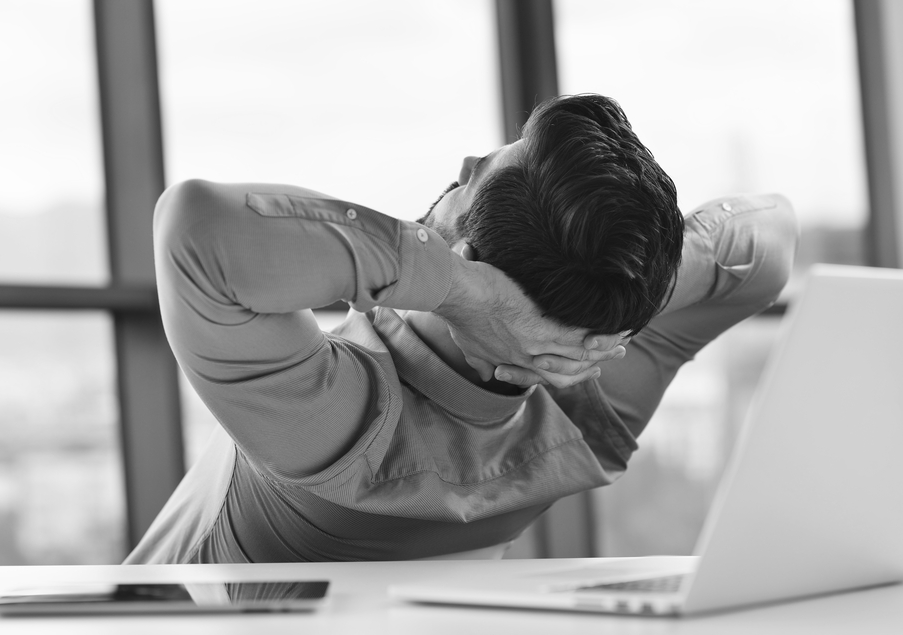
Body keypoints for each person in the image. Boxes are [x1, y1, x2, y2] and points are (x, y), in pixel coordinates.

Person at [125, 94, 798, 564]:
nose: (470, 161)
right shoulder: (593, 413)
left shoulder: (339, 418)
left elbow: (195, 229)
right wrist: (618, 302)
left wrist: (462, 293)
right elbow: (770, 241)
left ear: (470, 264)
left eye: (472, 181)